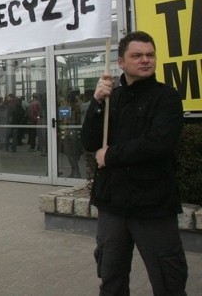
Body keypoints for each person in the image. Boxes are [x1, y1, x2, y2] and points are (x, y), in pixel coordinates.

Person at [81, 31, 188, 295]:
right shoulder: (110, 98)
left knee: (168, 281)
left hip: (152, 205)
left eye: (150, 55)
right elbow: (88, 141)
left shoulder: (167, 98)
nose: (145, 60)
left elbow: (157, 143)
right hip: (112, 205)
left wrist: (110, 156)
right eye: (137, 55)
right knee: (111, 279)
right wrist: (95, 103)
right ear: (120, 62)